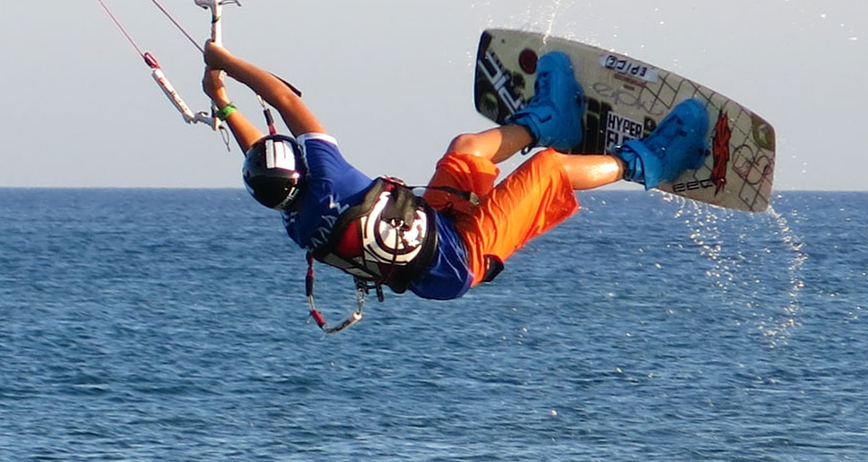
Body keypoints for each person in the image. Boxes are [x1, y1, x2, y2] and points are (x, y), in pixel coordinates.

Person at [201, 41, 710, 304]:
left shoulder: (295, 221)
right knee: (549, 171)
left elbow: (261, 166)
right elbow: (285, 99)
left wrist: (222, 107)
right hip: (460, 258)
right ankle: (650, 160)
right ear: (299, 166)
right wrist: (227, 65)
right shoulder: (328, 176)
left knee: (466, 148)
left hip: (436, 227)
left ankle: (551, 120)